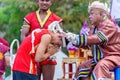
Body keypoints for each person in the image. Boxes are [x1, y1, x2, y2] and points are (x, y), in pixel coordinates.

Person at [65, 1, 120, 80]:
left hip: (114, 56)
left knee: (101, 66)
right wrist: (71, 39)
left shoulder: (109, 25)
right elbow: (87, 44)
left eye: (92, 14)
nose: (89, 16)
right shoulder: (93, 28)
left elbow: (98, 39)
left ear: (101, 14)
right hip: (99, 58)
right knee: (82, 67)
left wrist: (76, 38)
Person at [20, 0, 63, 79]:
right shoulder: (29, 17)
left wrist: (52, 50)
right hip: (33, 55)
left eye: (47, 0)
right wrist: (29, 51)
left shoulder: (57, 19)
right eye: (42, 0)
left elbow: (60, 39)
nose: (44, 3)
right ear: (37, 1)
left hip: (48, 55)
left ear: (51, 2)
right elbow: (23, 36)